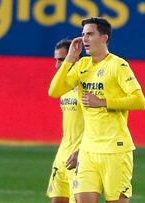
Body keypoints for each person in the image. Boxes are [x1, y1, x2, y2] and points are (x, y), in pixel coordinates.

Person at [48, 17, 145, 203]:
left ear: (104, 38)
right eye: (83, 34)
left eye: (90, 34)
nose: (84, 39)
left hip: (115, 150)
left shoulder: (118, 65)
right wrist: (69, 59)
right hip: (87, 151)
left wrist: (103, 102)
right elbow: (54, 91)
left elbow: (139, 101)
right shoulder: (82, 66)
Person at [46, 39, 84, 203]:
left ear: (75, 56)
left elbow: (98, 123)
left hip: (80, 156)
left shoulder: (88, 86)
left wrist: (81, 152)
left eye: (61, 59)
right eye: (56, 59)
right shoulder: (64, 87)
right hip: (62, 154)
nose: (57, 65)